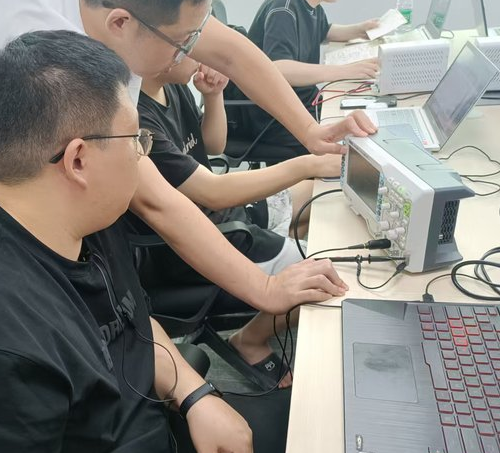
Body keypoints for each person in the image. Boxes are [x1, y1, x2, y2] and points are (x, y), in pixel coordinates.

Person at [0, 30, 348, 453]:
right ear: (78, 161)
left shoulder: (72, 215)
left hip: (160, 437)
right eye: (136, 140)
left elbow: (128, 321)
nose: (143, 155)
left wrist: (193, 392)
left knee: (337, 429)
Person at [0, 0, 373, 318]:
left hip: (16, 68)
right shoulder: (55, 56)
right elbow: (156, 201)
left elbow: (231, 50)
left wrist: (309, 132)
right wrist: (263, 289)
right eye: (183, 42)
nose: (190, 52)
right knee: (23, 256)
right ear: (121, 24)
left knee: (98, 207)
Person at [132, 57, 342, 385]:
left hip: (228, 213)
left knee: (322, 198)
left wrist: (213, 96)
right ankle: (250, 339)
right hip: (206, 236)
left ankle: (285, 250)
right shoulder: (138, 120)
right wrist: (307, 164)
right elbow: (212, 193)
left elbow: (213, 146)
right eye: (188, 41)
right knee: (330, 274)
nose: (198, 53)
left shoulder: (171, 86)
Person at [243, 0, 381, 155]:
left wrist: (359, 30)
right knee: (358, 143)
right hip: (276, 117)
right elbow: (280, 68)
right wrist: (345, 70)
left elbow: (324, 31)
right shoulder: (283, 7)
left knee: (360, 118)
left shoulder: (305, 1)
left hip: (301, 103)